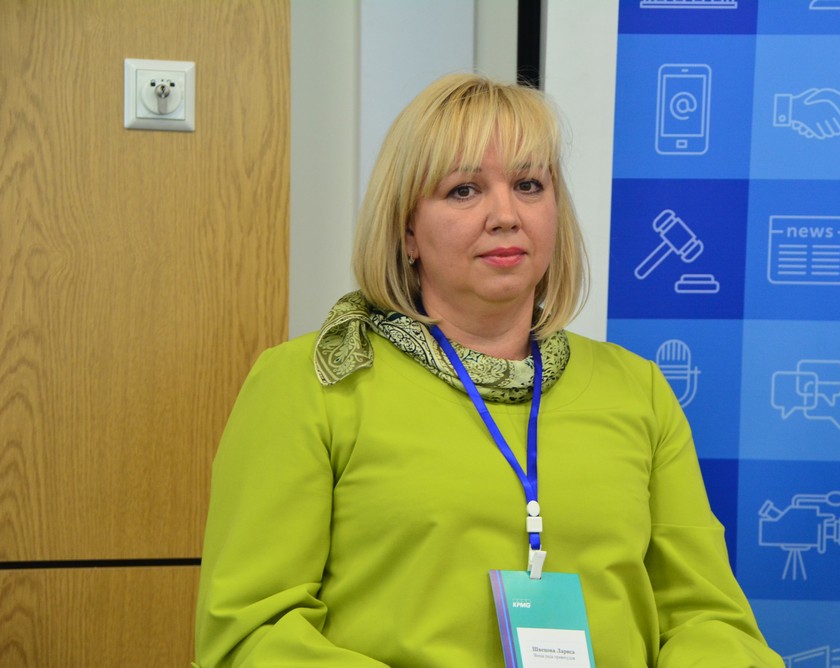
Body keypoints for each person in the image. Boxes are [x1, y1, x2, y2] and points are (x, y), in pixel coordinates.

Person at [193, 73, 783, 667]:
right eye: (464, 190)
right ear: (406, 231)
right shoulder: (311, 381)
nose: (505, 214)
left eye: (528, 185)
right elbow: (251, 632)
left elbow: (709, 619)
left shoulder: (638, 390)